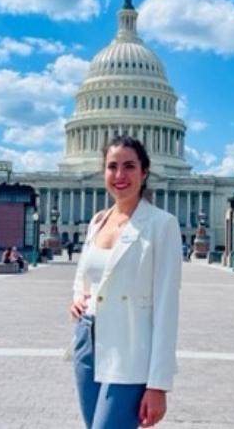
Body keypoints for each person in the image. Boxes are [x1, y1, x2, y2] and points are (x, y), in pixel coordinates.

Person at [69, 134, 182, 429]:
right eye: (112, 166)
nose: (120, 176)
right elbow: (85, 275)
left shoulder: (162, 225)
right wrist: (79, 298)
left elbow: (167, 308)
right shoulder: (97, 221)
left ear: (144, 172)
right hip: (87, 341)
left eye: (129, 166)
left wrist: (158, 384)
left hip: (130, 348)